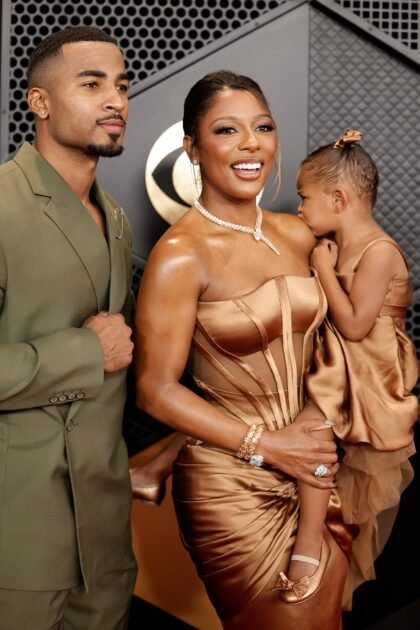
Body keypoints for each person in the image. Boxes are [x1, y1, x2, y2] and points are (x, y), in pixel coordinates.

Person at [134, 70, 353, 629]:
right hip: (231, 484)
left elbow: (341, 349)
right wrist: (270, 446)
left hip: (314, 468)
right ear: (192, 148)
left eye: (263, 127)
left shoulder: (298, 235)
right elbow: (154, 391)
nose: (251, 143)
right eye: (227, 130)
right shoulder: (180, 255)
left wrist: (310, 432)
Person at [0, 27, 137, 629]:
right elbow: (102, 353)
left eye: (122, 86)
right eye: (92, 84)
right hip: (17, 533)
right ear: (40, 102)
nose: (115, 101)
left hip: (105, 539)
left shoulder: (117, 219)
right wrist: (86, 352)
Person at [289, 129, 418, 607]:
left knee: (311, 429)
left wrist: (323, 270)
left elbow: (357, 325)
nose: (299, 208)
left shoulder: (379, 252)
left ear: (338, 199)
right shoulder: (331, 244)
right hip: (338, 361)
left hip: (370, 371)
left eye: (305, 198)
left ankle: (307, 549)